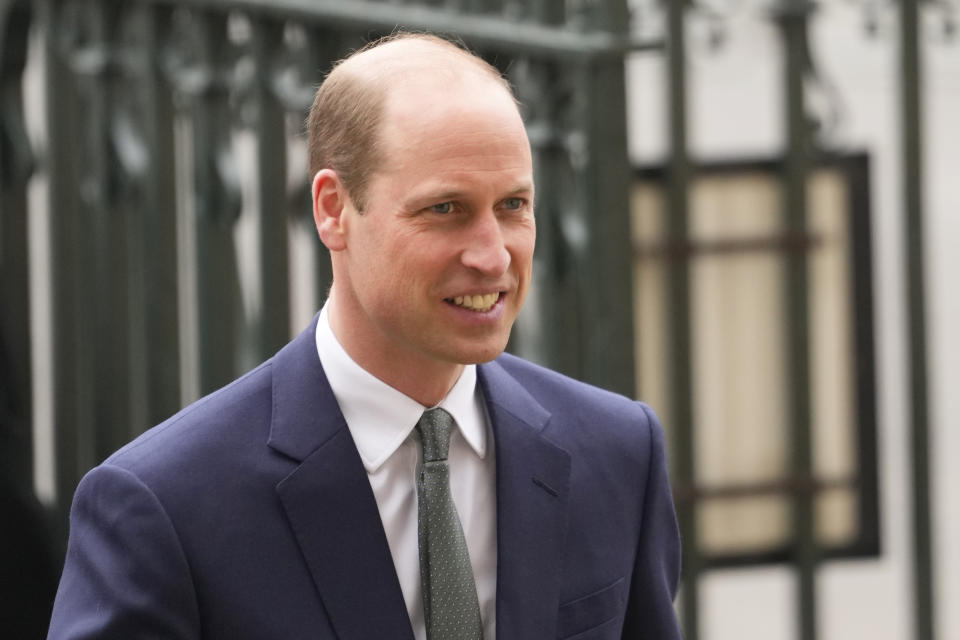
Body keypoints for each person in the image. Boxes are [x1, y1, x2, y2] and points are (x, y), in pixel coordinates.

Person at [48, 33, 681, 639]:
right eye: (445, 209)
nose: (493, 257)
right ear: (332, 210)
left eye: (513, 205)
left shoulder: (619, 453)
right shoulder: (166, 506)